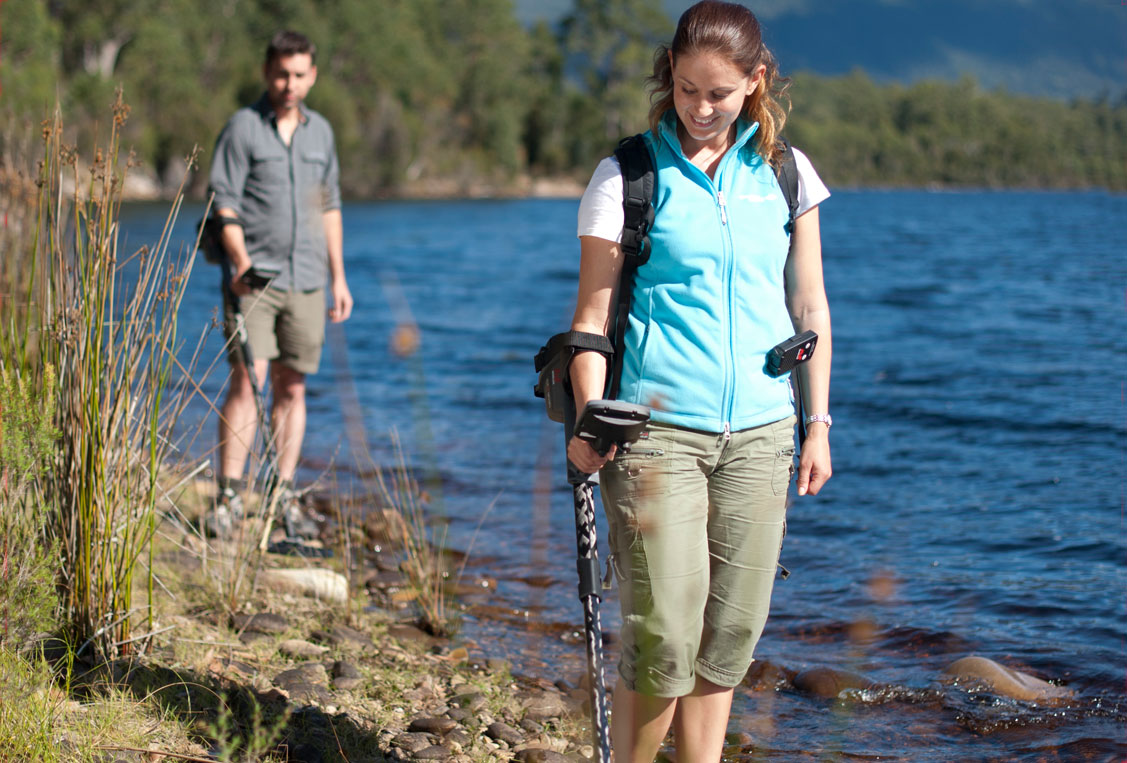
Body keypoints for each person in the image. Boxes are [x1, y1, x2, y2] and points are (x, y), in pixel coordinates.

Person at [566, 2, 832, 760]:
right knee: (663, 633)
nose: (701, 108)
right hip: (653, 437)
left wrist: (816, 425)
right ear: (669, 79)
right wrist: (589, 418)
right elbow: (589, 319)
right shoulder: (627, 175)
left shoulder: (784, 173)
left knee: (730, 634)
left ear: (754, 82)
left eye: (718, 93)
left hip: (761, 433)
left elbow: (808, 305)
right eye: (686, 90)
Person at [205, 30, 353, 537]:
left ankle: (282, 493)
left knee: (293, 387)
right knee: (248, 381)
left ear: (311, 76)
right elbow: (223, 202)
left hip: (310, 280)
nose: (289, 84)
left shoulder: (321, 135)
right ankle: (227, 496)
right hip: (254, 281)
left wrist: (339, 277)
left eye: (298, 75)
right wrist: (241, 261)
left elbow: (328, 206)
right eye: (281, 73)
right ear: (267, 72)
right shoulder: (242, 128)